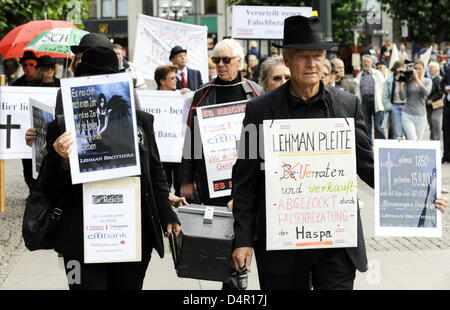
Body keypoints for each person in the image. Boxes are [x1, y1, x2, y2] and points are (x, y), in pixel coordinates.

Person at [231, 15, 448, 291]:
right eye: (302, 56)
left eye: (317, 56)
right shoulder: (259, 110)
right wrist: (243, 239)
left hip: (335, 246)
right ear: (286, 59)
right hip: (281, 247)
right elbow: (245, 180)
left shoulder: (346, 104)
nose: (311, 64)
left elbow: (369, 165)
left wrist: (424, 192)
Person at [42, 46, 181, 290]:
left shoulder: (141, 122)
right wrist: (61, 159)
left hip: (132, 231)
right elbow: (47, 186)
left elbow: (155, 173)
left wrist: (166, 213)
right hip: (80, 236)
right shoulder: (60, 128)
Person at [153, 64, 184, 197]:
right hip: (161, 151)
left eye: (175, 77)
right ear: (162, 81)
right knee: (163, 184)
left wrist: (188, 96)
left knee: (179, 182)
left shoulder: (180, 96)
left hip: (177, 149)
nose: (176, 80)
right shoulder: (151, 98)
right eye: (172, 78)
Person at [355, 54, 386, 139]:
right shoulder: (359, 75)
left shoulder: (377, 73)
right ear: (362, 63)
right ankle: (369, 146)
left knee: (378, 126)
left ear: (371, 63)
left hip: (376, 100)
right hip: (364, 101)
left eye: (368, 62)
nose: (366, 63)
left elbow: (384, 87)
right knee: (366, 126)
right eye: (364, 61)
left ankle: (382, 145)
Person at [401, 60, 432, 140]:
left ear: (423, 69)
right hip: (407, 114)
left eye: (419, 68)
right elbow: (402, 98)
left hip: (421, 115)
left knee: (418, 142)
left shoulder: (428, 81)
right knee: (412, 139)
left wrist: (418, 79)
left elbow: (426, 93)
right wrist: (401, 85)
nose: (417, 70)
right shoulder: (408, 81)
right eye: (415, 68)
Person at [382, 60, 407, 139]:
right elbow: (384, 96)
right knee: (397, 132)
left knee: (407, 131)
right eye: (400, 69)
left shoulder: (408, 79)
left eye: (403, 69)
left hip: (407, 107)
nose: (401, 71)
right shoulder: (389, 80)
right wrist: (390, 107)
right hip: (395, 106)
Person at [426, 61, 444, 141]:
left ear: (436, 69)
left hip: (437, 105)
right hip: (429, 106)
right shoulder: (430, 79)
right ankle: (432, 141)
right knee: (431, 124)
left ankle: (436, 141)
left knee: (435, 123)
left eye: (431, 68)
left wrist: (432, 99)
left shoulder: (438, 79)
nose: (429, 70)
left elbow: (440, 92)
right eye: (429, 68)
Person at [442, 65, 450, 163]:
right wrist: (445, 88)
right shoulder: (449, 70)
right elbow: (442, 83)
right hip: (448, 106)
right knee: (446, 130)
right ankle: (447, 156)